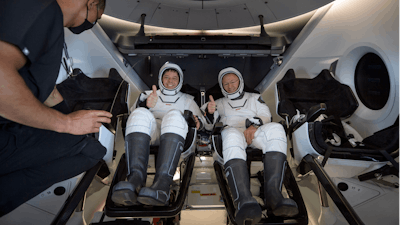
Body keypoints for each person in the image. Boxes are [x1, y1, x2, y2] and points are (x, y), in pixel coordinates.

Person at [0, 0, 110, 216]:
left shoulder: (49, 23)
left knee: (89, 147)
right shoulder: (43, 9)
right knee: (90, 150)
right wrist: (67, 124)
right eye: (97, 16)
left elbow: (47, 91)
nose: (94, 22)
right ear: (92, 3)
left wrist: (74, 121)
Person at [202, 67, 298, 225]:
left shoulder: (255, 97)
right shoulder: (217, 103)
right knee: (231, 134)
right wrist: (210, 113)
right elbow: (206, 126)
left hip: (255, 132)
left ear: (240, 81)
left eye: (233, 81)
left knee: (276, 128)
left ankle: (274, 195)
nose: (230, 86)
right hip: (233, 134)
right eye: (225, 84)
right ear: (221, 86)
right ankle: (243, 199)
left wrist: (253, 126)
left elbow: (266, 115)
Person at [111, 62, 205, 206]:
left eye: (174, 78)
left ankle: (162, 185)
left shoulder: (188, 100)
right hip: (150, 135)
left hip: (176, 136)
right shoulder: (147, 95)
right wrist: (145, 105)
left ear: (180, 80)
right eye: (166, 77)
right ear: (160, 78)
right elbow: (131, 115)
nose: (170, 81)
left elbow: (202, 122)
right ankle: (135, 179)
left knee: (173, 115)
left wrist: (198, 123)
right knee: (139, 113)